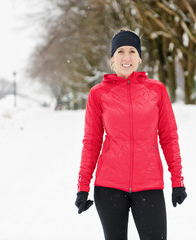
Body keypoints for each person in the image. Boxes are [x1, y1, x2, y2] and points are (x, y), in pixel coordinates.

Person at [75, 29, 187, 240]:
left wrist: (177, 180)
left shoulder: (156, 91)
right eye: (120, 51)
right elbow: (91, 142)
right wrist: (83, 187)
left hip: (149, 184)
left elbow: (169, 137)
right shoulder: (98, 94)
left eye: (132, 51)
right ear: (112, 58)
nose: (126, 57)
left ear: (140, 58)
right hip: (109, 187)